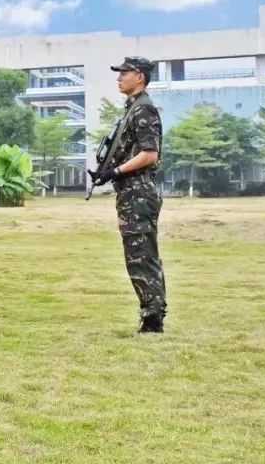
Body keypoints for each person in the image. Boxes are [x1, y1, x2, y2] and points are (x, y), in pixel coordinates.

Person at [94, 56, 167, 334]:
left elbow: (150, 155)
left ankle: (152, 319)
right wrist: (106, 171)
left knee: (142, 255)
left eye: (124, 73)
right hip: (130, 193)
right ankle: (151, 314)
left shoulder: (144, 109)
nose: (119, 77)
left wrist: (117, 171)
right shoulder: (132, 109)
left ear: (140, 76)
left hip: (139, 193)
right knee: (137, 254)